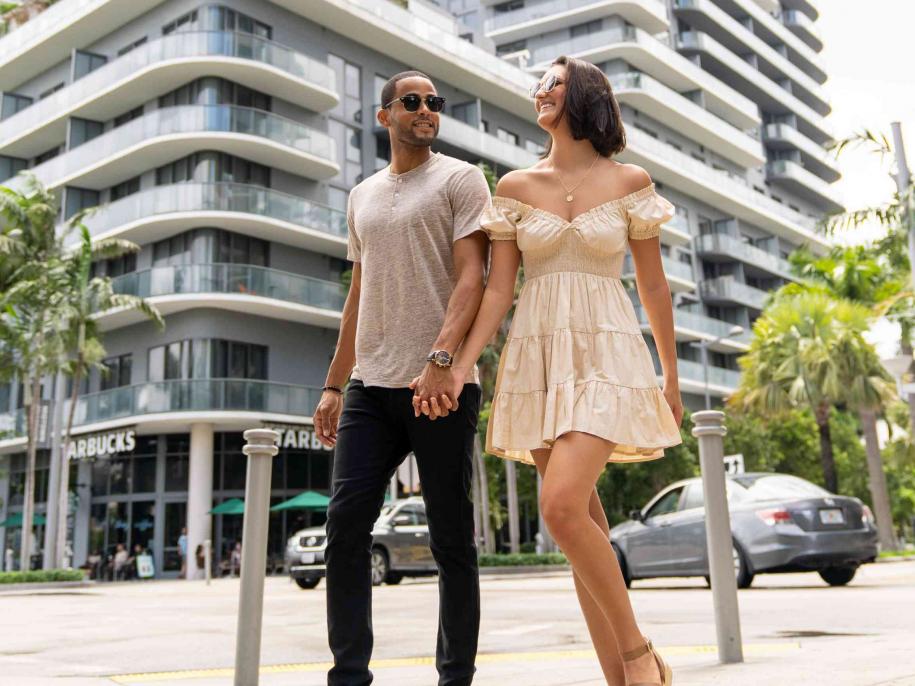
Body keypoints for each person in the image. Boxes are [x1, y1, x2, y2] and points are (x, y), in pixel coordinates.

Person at [415, 56, 682, 686]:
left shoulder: (629, 181)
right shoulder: (514, 188)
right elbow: (499, 291)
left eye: (554, 82)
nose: (541, 90)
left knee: (561, 508)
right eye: (539, 83)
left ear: (584, 94)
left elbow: (653, 285)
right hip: (536, 355)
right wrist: (456, 362)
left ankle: (641, 657)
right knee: (581, 526)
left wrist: (670, 376)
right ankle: (621, 678)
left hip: (607, 351)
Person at [313, 69, 490, 686]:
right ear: (385, 115)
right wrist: (335, 384)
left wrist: (441, 361)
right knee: (344, 528)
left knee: (449, 537)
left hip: (439, 386)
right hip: (370, 385)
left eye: (433, 103)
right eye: (412, 101)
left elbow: (475, 277)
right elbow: (358, 295)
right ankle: (349, 675)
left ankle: (455, 678)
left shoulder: (461, 179)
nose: (426, 110)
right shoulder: (361, 195)